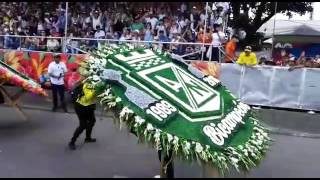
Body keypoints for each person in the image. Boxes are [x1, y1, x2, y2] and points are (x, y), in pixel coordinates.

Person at [68, 81, 97, 150]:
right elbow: (88, 97)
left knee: (92, 121)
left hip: (89, 106)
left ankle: (88, 138)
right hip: (81, 107)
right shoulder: (87, 85)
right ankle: (72, 142)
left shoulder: (94, 83)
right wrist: (97, 89)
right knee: (83, 125)